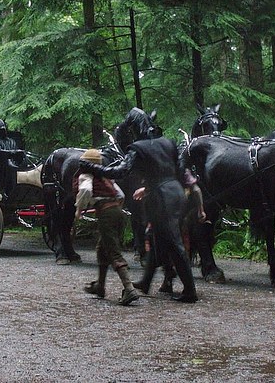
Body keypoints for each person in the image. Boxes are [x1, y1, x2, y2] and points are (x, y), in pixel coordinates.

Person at [80, 123, 198, 303]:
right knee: (156, 238)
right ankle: (146, 281)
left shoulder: (137, 148)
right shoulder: (168, 143)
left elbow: (120, 171)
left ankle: (190, 291)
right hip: (172, 193)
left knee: (174, 243)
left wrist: (91, 167)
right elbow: (178, 170)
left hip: (161, 198)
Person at [74, 149, 139, 306]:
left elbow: (85, 190)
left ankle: (129, 289)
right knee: (102, 248)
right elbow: (121, 195)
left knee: (113, 252)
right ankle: (100, 286)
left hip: (106, 213)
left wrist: (79, 209)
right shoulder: (106, 177)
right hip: (118, 212)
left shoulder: (86, 176)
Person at [0, 119, 25, 198]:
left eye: (4, 129)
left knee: (21, 166)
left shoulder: (11, 141)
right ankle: (6, 193)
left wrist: (20, 153)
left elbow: (17, 154)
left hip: (12, 164)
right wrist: (13, 152)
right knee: (9, 168)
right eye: (0, 130)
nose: (2, 131)